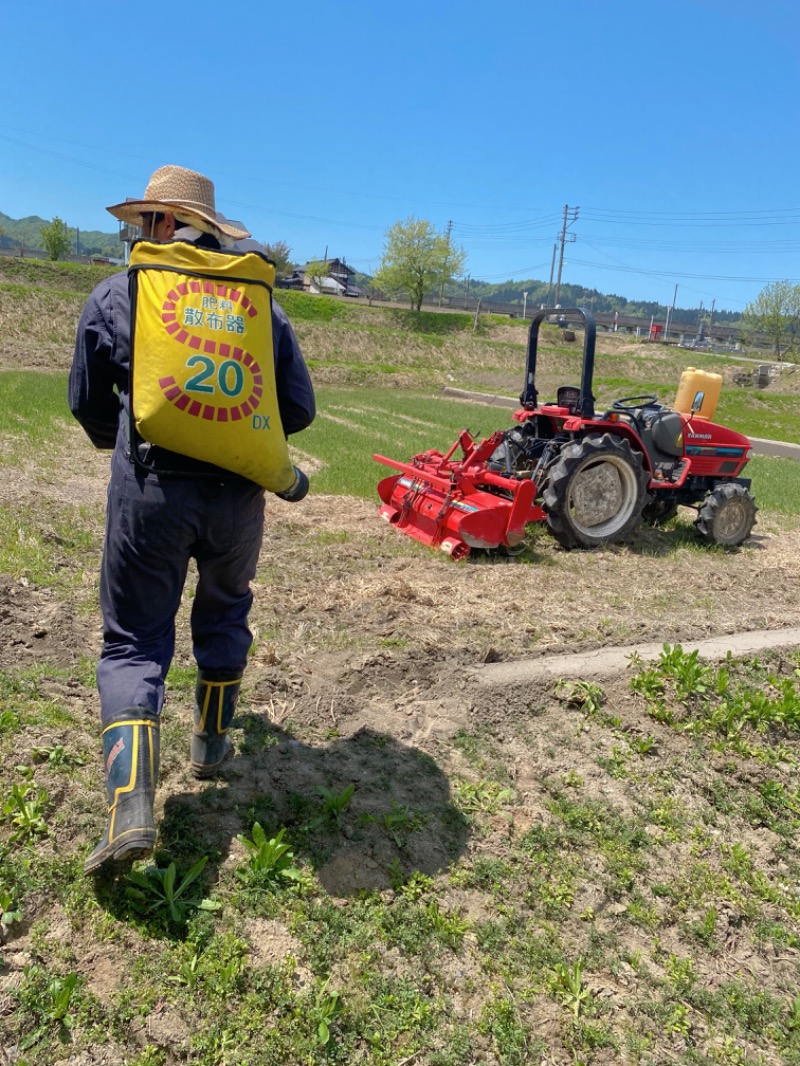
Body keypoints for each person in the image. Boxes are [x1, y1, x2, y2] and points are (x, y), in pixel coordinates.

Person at [69, 165, 315, 875]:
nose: (132, 234)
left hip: (150, 493)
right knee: (226, 606)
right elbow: (296, 410)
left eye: (139, 222)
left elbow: (87, 403)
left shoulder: (118, 294)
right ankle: (209, 747)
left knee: (134, 641)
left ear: (161, 226)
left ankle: (131, 811)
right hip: (238, 500)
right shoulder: (260, 307)